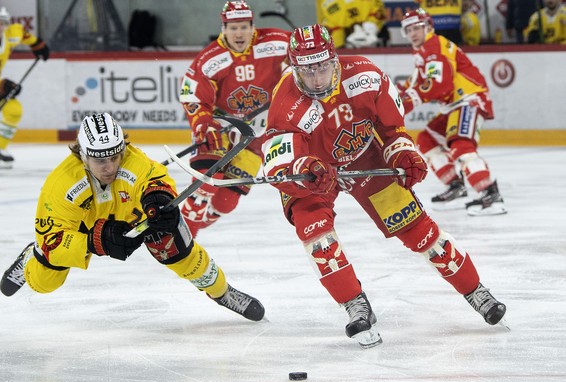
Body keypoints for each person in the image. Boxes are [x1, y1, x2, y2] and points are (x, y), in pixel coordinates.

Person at [261, 24, 507, 348]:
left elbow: (392, 130)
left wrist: (403, 153)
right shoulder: (284, 103)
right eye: (308, 70)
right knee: (315, 235)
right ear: (295, 68)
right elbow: (282, 166)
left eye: (322, 67)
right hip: (316, 173)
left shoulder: (365, 75)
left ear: (334, 59)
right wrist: (302, 169)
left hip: (366, 160)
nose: (317, 78)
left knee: (420, 232)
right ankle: (354, 305)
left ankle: (475, 290)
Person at [0, 113, 265, 322]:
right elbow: (53, 240)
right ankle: (29, 259)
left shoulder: (133, 161)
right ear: (81, 154)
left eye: (115, 157)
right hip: (81, 224)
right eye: (100, 161)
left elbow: (155, 179)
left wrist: (158, 200)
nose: (109, 167)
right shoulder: (59, 186)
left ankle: (222, 292)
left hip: (130, 210)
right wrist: (94, 241)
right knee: (46, 282)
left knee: (178, 252)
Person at [178, 0, 291, 238]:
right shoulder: (210, 58)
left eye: (243, 27)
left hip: (257, 133)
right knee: (206, 184)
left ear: (253, 26)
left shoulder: (276, 42)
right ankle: (181, 237)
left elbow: (308, 55)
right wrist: (202, 124)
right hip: (220, 126)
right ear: (223, 28)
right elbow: (192, 94)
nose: (238, 33)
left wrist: (294, 73)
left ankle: (196, 224)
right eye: (232, 27)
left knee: (226, 202)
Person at [398, 8, 506, 216]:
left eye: (417, 28)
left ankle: (490, 193)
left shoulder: (435, 46)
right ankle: (457, 187)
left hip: (469, 100)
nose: (413, 33)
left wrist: (404, 104)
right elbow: (411, 86)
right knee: (427, 139)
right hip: (453, 106)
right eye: (408, 30)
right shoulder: (422, 53)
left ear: (428, 27)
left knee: (461, 145)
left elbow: (440, 86)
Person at [0, 6, 50, 169]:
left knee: (13, 110)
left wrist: (38, 45)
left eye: (1, 23)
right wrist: (1, 84)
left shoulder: (12, 34)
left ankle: (0, 150)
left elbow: (24, 35)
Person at [315, 0, 388, 48]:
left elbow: (377, 10)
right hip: (344, 37)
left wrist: (370, 28)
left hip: (373, 34)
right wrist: (338, 47)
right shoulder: (324, 3)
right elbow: (328, 23)